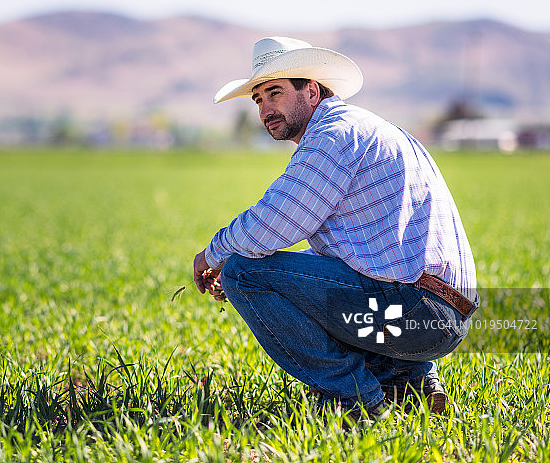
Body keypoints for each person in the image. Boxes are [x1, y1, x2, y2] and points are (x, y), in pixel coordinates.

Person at [192, 36, 478, 421]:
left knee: (245, 273)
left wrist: (213, 255)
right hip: (441, 312)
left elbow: (275, 219)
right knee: (282, 275)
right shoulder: (361, 128)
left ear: (311, 91)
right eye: (258, 99)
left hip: (417, 308)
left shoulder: (333, 136)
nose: (265, 109)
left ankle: (354, 399)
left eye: (274, 93)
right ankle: (408, 384)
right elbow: (346, 258)